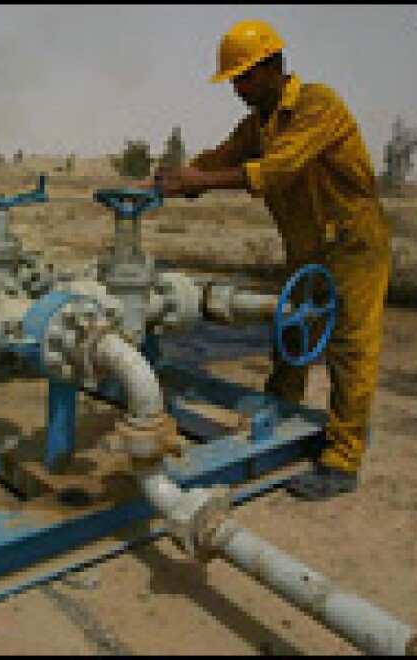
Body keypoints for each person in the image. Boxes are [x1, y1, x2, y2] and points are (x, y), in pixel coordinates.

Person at [151, 20, 391, 500]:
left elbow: (278, 170)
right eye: (234, 80)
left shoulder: (317, 106)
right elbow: (220, 158)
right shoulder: (258, 123)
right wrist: (171, 180)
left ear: (274, 67)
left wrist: (200, 182)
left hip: (353, 245)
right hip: (308, 250)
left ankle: (342, 460)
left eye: (245, 77)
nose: (238, 89)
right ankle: (280, 418)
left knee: (349, 349)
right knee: (292, 335)